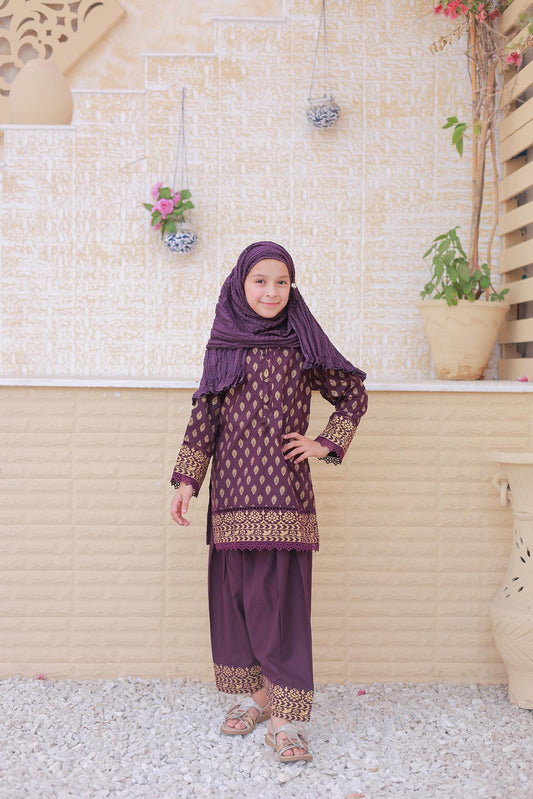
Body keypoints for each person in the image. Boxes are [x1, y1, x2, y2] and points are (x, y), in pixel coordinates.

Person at [170, 241, 367, 764]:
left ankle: (286, 721)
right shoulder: (224, 343)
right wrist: (188, 480)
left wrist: (324, 442)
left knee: (280, 606)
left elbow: (353, 392)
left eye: (281, 282)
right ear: (241, 284)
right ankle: (257, 697)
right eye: (260, 281)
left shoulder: (301, 340)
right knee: (237, 601)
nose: (271, 292)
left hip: (284, 495)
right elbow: (205, 416)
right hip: (232, 497)